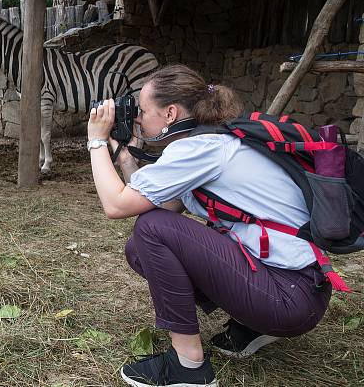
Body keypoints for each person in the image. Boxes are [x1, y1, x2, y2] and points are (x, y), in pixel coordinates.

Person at [87, 64, 331, 387]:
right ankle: (252, 324)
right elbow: (161, 203)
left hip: (291, 296)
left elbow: (116, 205)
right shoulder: (213, 140)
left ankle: (189, 367)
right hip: (300, 288)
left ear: (170, 113)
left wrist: (96, 141)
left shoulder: (199, 150)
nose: (138, 119)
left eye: (143, 111)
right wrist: (125, 157)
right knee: (140, 246)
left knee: (150, 230)